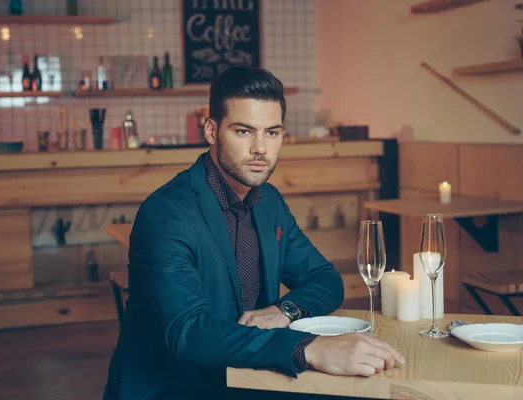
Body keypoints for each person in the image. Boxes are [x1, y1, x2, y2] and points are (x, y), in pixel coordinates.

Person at [102, 66, 404, 400]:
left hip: (247, 374)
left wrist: (283, 312)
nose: (260, 148)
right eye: (244, 132)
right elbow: (189, 332)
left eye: (272, 133)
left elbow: (324, 279)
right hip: (177, 386)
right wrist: (310, 348)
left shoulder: (269, 201)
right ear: (212, 131)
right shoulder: (167, 213)